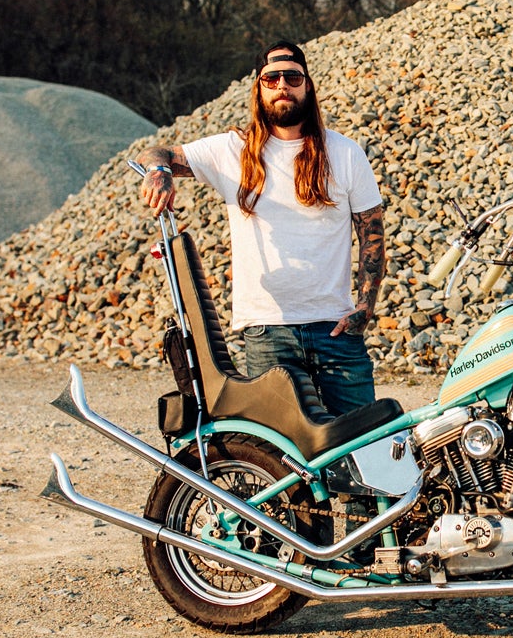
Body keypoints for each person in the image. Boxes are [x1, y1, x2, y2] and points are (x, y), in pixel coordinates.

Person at [137, 42, 387, 419]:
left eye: (293, 77)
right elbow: (156, 153)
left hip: (335, 328)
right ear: (259, 88)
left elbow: (372, 233)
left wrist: (365, 308)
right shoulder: (231, 151)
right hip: (268, 333)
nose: (282, 85)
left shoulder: (345, 153)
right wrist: (160, 173)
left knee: (365, 442)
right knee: (279, 455)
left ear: (307, 85)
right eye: (272, 78)